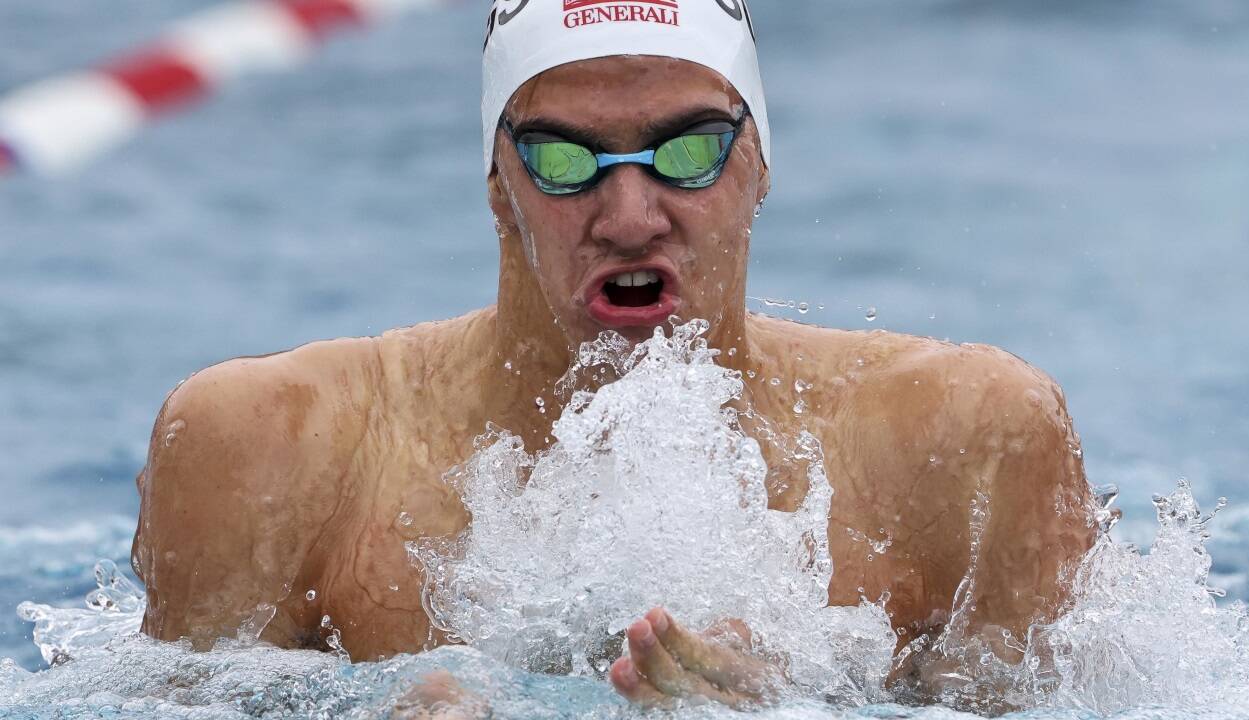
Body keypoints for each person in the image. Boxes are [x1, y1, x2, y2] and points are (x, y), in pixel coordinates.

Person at [131, 0, 1096, 713]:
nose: (631, 218)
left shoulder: (967, 442)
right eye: (563, 159)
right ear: (497, 184)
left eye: (688, 152)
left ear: (761, 165)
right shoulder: (276, 444)